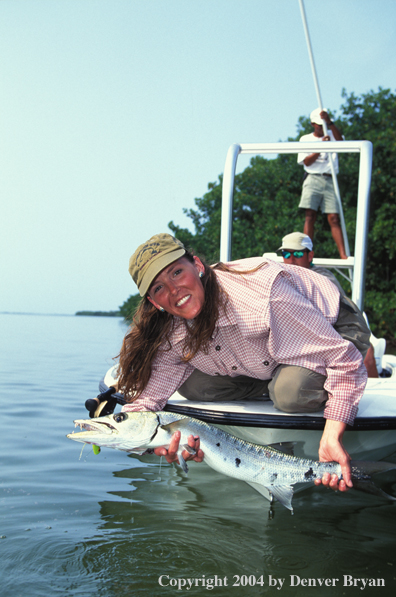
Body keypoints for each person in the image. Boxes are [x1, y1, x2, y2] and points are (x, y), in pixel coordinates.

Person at [117, 233, 370, 494]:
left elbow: (344, 359)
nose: (173, 290)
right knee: (194, 387)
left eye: (177, 272)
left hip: (334, 326)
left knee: (289, 392)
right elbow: (148, 402)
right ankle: (273, 380)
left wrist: (332, 434)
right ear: (153, 302)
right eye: (158, 288)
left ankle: (280, 384)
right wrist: (142, 438)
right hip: (270, 355)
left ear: (198, 265)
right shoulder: (173, 328)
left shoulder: (261, 299)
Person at [278, 231, 378, 378]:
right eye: (286, 254)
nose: (291, 259)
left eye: (298, 254)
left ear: (310, 256)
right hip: (300, 342)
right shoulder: (280, 277)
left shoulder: (323, 278)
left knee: (367, 354)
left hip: (334, 336)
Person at [297, 108, 347, 259]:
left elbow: (343, 144)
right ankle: (307, 252)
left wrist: (330, 123)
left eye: (324, 123)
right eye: (319, 124)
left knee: (334, 218)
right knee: (310, 215)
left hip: (330, 178)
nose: (321, 127)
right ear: (313, 124)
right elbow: (307, 162)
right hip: (312, 178)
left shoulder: (332, 135)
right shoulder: (305, 139)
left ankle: (343, 254)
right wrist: (321, 147)